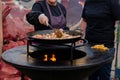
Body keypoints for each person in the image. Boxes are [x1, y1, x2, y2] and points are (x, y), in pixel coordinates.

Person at [80, 0, 120, 80]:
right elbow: (84, 20)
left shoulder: (112, 2)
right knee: (91, 75)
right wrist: (80, 35)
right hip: (89, 45)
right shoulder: (88, 2)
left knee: (104, 76)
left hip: (106, 47)